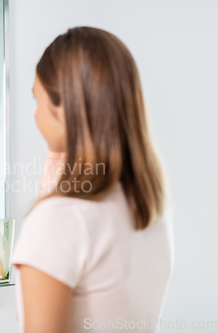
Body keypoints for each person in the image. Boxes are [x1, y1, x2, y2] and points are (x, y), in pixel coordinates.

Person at [11, 27, 174, 333]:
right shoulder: (147, 209)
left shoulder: (60, 220)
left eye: (38, 100)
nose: (35, 117)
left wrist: (50, 206)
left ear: (66, 107)